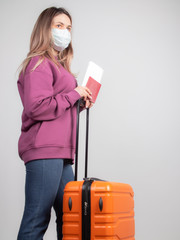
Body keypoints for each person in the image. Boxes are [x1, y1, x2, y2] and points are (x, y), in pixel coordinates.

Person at [16, 6, 93, 240]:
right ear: (45, 29)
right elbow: (37, 107)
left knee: (70, 218)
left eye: (68, 27)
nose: (65, 32)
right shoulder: (38, 63)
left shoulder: (61, 67)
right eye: (59, 26)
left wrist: (79, 103)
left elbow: (57, 107)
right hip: (44, 151)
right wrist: (73, 95)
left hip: (61, 154)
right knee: (37, 218)